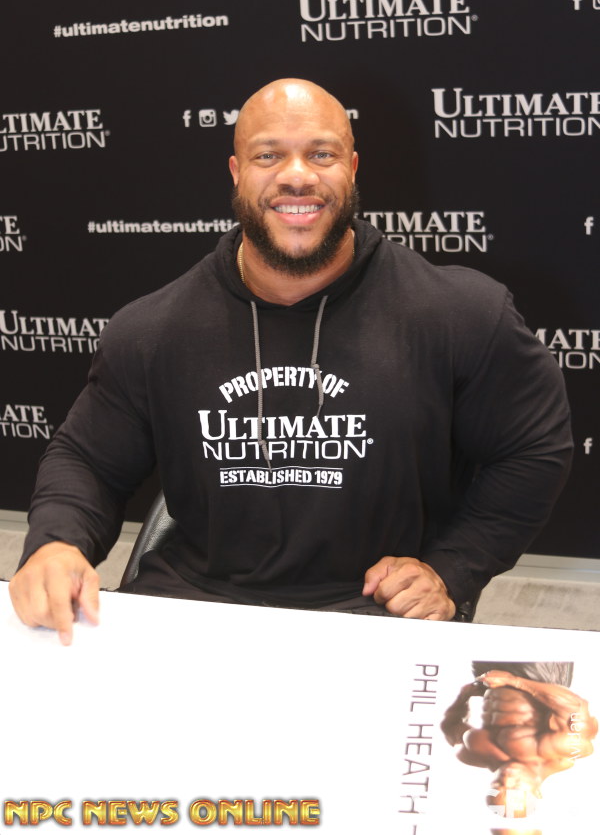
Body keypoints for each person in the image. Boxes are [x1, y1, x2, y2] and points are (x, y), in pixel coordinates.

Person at [9, 78, 573, 644]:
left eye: (321, 154)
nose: (297, 175)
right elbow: (88, 459)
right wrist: (57, 542)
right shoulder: (152, 329)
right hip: (193, 604)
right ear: (236, 173)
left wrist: (452, 568)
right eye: (268, 156)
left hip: (375, 614)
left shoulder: (461, 313)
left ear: (352, 168)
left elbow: (532, 448)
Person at [441, 663, 597, 820]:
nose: (507, 778)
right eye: (516, 786)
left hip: (489, 675)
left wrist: (463, 698)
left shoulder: (474, 757)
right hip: (538, 672)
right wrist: (513, 680)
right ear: (537, 792)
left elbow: (451, 730)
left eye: (498, 785)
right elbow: (575, 706)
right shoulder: (564, 751)